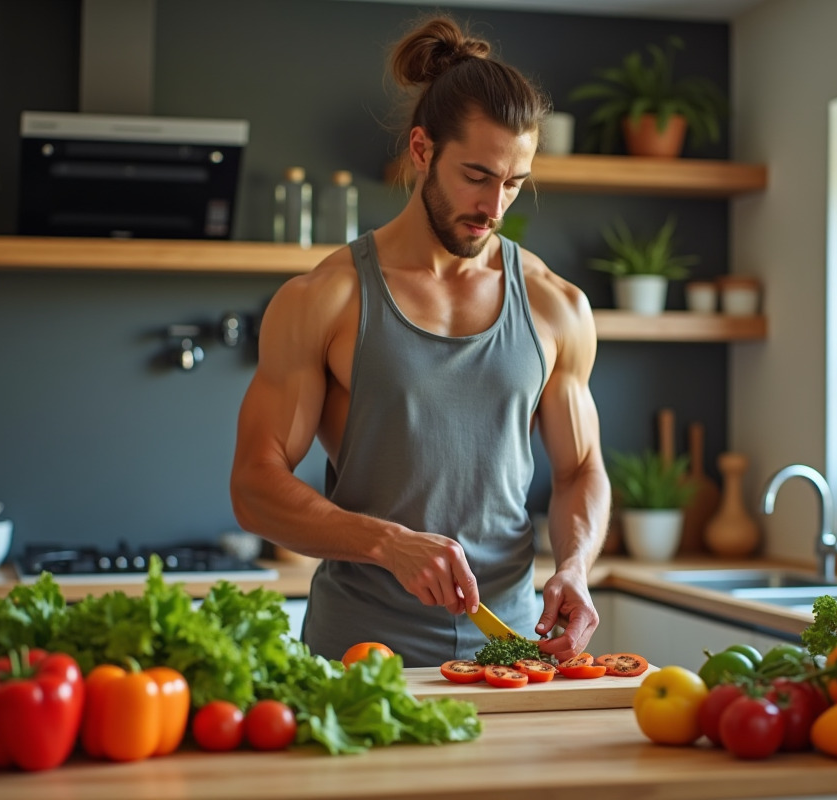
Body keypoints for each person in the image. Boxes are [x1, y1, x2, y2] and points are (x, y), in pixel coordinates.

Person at [230, 14, 610, 668]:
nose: (495, 206)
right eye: (477, 175)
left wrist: (574, 566)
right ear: (422, 149)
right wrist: (386, 543)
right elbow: (255, 487)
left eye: (514, 183)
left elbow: (579, 470)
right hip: (360, 655)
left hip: (513, 654)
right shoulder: (326, 298)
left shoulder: (556, 305)